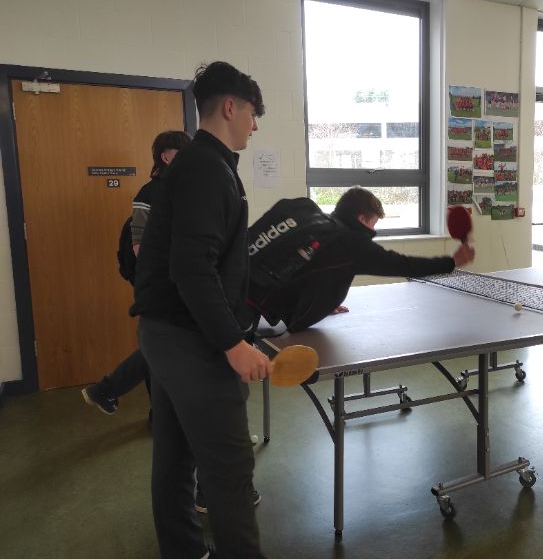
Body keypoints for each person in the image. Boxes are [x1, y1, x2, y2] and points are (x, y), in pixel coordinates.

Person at [132, 61, 270, 559]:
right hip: (190, 341)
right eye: (254, 113)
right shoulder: (208, 169)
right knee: (230, 469)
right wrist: (233, 343)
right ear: (230, 106)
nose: (255, 125)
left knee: (173, 458)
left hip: (165, 336)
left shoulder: (198, 166)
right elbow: (193, 269)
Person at [247, 186, 476, 333]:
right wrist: (452, 261)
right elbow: (403, 265)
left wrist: (321, 301)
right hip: (246, 317)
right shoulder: (351, 243)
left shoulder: (318, 223)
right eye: (373, 223)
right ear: (361, 219)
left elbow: (304, 268)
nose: (373, 230)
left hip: (245, 296)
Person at [82, 130, 191, 416]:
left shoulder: (186, 188)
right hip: (162, 284)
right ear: (166, 156)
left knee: (166, 346)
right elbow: (141, 245)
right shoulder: (150, 193)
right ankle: (121, 395)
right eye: (183, 152)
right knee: (161, 345)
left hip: (179, 282)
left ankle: (140, 404)